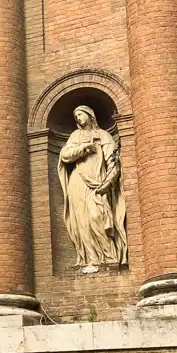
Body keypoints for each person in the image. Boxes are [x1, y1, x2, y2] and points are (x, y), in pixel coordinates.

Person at [58, 105, 127, 270]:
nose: (78, 118)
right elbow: (65, 155)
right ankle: (92, 259)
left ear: (90, 115)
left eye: (81, 114)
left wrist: (108, 182)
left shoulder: (103, 135)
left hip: (98, 182)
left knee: (97, 216)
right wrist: (82, 149)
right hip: (78, 180)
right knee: (82, 221)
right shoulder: (76, 135)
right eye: (76, 116)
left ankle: (110, 258)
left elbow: (113, 161)